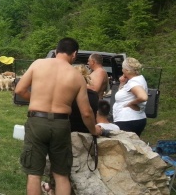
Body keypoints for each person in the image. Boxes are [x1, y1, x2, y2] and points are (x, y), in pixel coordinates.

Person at [15, 37, 101, 195]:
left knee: (34, 174)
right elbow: (86, 112)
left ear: (56, 51)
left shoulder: (38, 64)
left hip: (37, 121)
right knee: (61, 175)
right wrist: (94, 130)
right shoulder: (77, 77)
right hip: (61, 125)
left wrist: (36, 100)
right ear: (74, 54)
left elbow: (19, 90)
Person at [112, 57, 148, 136]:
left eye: (123, 68)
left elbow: (143, 97)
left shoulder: (133, 83)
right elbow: (124, 94)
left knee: (125, 146)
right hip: (136, 118)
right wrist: (122, 83)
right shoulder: (139, 78)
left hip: (127, 120)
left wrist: (131, 103)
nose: (122, 70)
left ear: (127, 71)